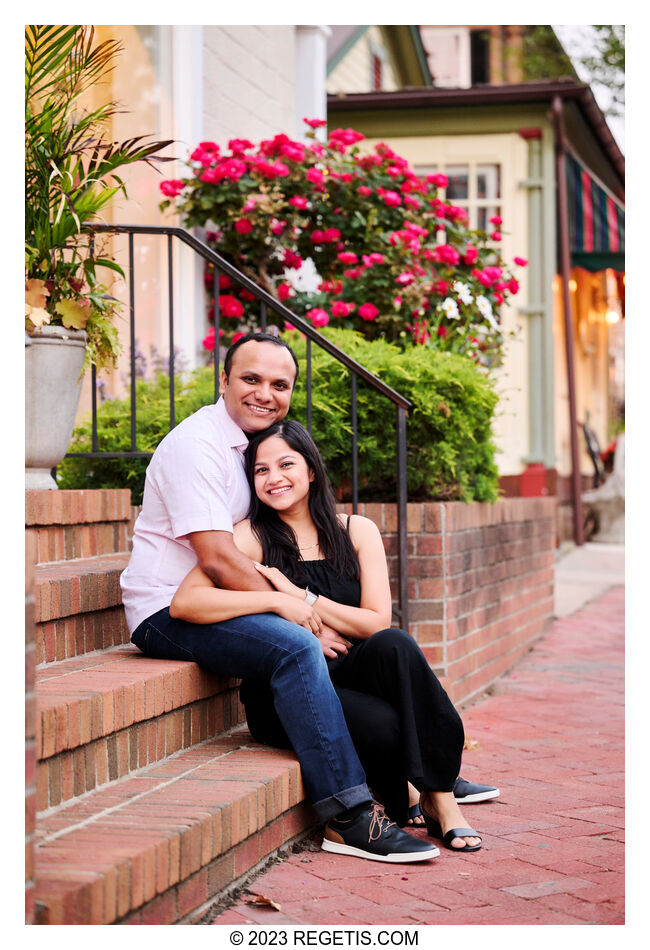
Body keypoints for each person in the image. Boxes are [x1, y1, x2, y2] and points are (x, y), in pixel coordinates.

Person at [121, 332, 438, 863]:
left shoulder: (250, 446)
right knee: (295, 647)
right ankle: (349, 816)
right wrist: (298, 612)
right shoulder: (196, 446)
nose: (265, 393)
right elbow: (220, 561)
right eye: (251, 379)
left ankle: (433, 770)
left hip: (223, 600)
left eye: (280, 384)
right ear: (222, 381)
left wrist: (302, 608)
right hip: (165, 611)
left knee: (382, 646)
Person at [170, 418, 486, 853]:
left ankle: (442, 801)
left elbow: (376, 622)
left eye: (286, 464)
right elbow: (185, 603)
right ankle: (421, 794)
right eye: (261, 470)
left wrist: (304, 596)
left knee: (396, 645)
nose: (274, 478)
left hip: (354, 669)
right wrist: (275, 604)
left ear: (312, 470)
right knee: (388, 724)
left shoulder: (356, 531)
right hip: (289, 690)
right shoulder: (252, 536)